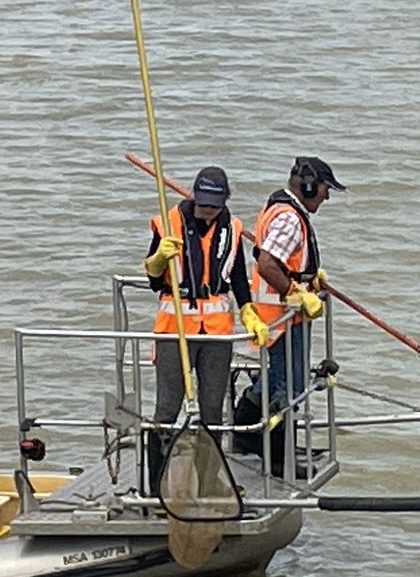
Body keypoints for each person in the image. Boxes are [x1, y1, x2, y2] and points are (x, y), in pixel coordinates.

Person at [141, 165, 262, 492]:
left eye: (214, 205)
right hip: (174, 331)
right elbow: (154, 281)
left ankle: (209, 483)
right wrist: (158, 259)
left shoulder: (232, 229)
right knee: (167, 408)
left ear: (224, 202)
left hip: (217, 333)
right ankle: (156, 487)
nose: (207, 210)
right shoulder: (168, 223)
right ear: (194, 196)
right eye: (203, 203)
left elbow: (238, 278)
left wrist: (248, 311)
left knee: (213, 411)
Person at [237, 157, 346, 468]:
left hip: (279, 314)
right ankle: (277, 458)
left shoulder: (283, 210)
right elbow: (268, 264)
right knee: (289, 387)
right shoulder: (289, 218)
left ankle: (248, 438)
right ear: (309, 186)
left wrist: (308, 278)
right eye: (326, 189)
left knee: (276, 380)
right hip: (283, 315)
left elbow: (283, 261)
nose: (326, 197)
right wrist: (295, 292)